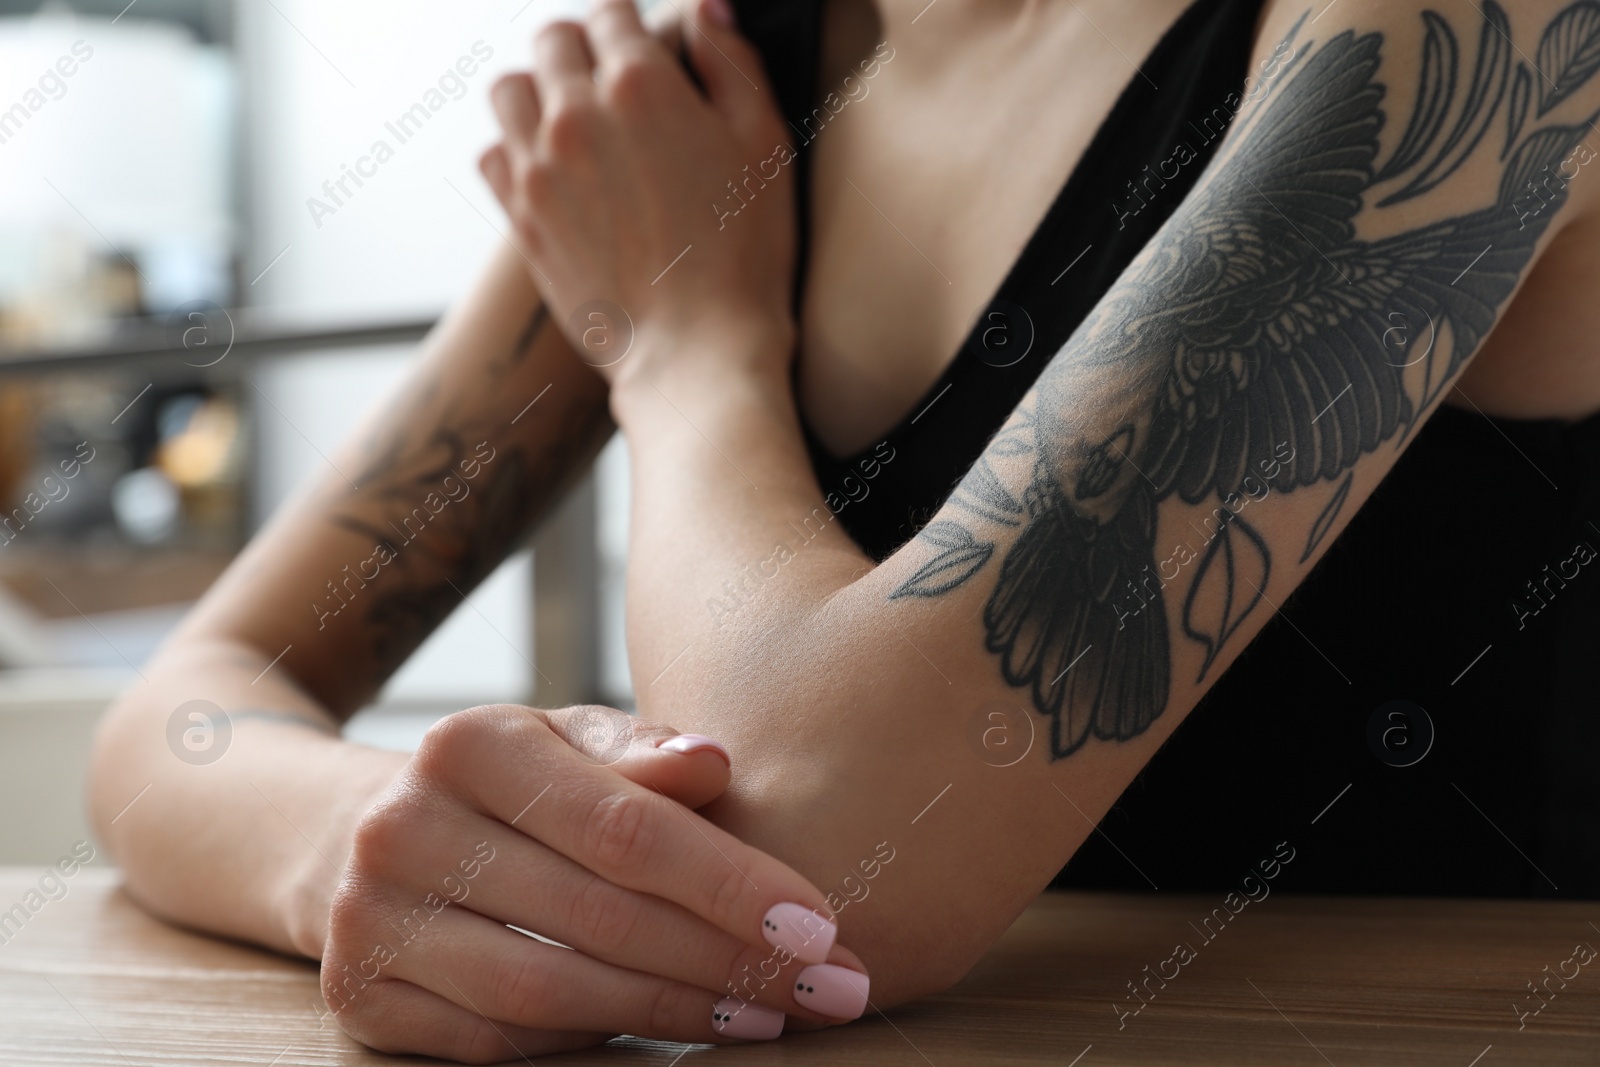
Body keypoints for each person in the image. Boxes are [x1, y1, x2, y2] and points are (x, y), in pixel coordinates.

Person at [90, 0, 1600, 1059]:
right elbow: (183, 708)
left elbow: (827, 870)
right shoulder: (724, 73)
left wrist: (686, 349)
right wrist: (375, 849)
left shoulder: (1462, 27)